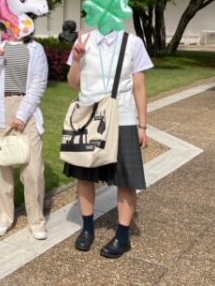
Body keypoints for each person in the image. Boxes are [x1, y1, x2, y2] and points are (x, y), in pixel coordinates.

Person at [65, 29, 153, 258]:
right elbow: (72, 84)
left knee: (126, 180)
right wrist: (77, 59)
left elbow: (139, 87)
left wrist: (142, 126)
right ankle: (87, 229)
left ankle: (122, 237)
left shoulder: (133, 43)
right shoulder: (83, 41)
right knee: (85, 175)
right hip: (88, 118)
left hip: (122, 118)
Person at [0, 33, 49, 239]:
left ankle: (36, 221)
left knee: (34, 170)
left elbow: (39, 84)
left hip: (27, 109)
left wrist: (22, 115)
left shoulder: (36, 49)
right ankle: (1, 218)